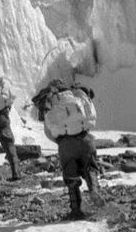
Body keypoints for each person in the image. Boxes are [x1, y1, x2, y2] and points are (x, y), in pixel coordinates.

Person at [32, 79, 105, 219]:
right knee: (90, 167)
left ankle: (76, 209)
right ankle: (94, 189)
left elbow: (49, 130)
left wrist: (60, 141)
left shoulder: (50, 101)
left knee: (71, 176)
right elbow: (91, 116)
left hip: (66, 144)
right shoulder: (78, 95)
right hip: (86, 139)